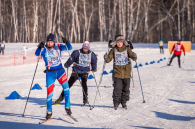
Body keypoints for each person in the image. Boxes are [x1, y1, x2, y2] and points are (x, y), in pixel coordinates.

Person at [35, 33, 72, 120]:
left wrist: (66, 42)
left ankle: (67, 107)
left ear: (54, 42)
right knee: (49, 94)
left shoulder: (58, 46)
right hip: (50, 73)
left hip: (60, 72)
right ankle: (49, 112)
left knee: (66, 89)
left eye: (51, 42)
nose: (50, 44)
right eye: (48, 42)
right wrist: (39, 47)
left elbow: (69, 47)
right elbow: (37, 54)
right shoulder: (44, 49)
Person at [54, 41, 97, 106]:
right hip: (76, 71)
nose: (85, 49)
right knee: (69, 84)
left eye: (87, 48)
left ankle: (85, 99)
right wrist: (67, 64)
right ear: (82, 47)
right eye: (84, 48)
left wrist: (94, 68)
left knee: (84, 83)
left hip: (85, 71)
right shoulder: (77, 52)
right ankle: (61, 98)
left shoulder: (91, 54)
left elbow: (94, 61)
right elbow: (71, 59)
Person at [104, 35, 137, 110]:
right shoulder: (113, 50)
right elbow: (108, 60)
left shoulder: (127, 48)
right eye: (118, 42)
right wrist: (106, 57)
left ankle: (124, 102)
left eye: (121, 42)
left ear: (123, 42)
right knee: (117, 89)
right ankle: (116, 103)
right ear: (116, 42)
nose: (119, 43)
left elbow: (132, 56)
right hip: (117, 73)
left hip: (127, 73)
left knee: (126, 89)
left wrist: (134, 56)